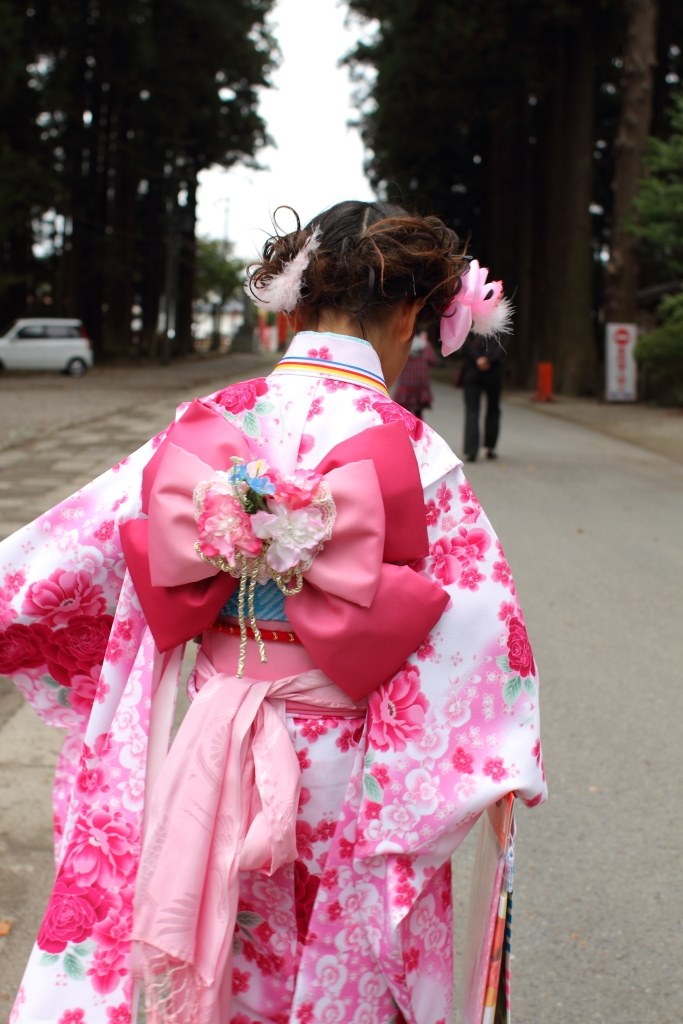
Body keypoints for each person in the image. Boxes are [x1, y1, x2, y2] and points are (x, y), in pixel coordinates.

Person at [0, 200, 545, 1024]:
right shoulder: (416, 453)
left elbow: (60, 563)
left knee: (223, 955)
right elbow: (481, 643)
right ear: (410, 314)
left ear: (295, 303)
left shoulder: (208, 422)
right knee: (342, 976)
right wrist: (493, 766)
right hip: (348, 772)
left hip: (212, 750)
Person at [460, 330, 506, 462]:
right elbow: (503, 343)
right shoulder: (501, 322)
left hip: (473, 369)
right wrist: (488, 359)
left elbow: (464, 341)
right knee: (492, 409)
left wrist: (477, 359)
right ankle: (490, 447)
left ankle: (471, 450)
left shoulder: (470, 321)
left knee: (472, 411)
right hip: (492, 370)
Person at [393, 329, 437, 419]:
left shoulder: (404, 345)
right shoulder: (425, 345)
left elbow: (395, 361)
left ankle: (405, 426)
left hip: (406, 384)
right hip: (420, 384)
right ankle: (418, 426)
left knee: (404, 411)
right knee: (418, 411)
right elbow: (433, 360)